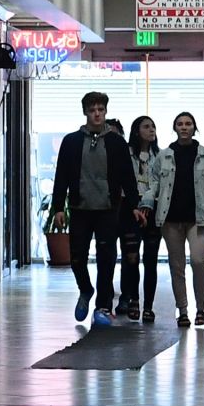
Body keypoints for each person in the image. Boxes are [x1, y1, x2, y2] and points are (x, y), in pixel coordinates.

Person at [136, 111, 204, 328]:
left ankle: (201, 309)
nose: (184, 127)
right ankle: (183, 311)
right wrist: (147, 201)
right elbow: (154, 184)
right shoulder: (164, 156)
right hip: (170, 219)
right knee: (176, 266)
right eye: (180, 124)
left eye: (188, 124)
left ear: (194, 128)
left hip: (199, 218)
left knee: (198, 262)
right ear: (175, 128)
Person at [53, 91, 137, 325]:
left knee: (106, 258)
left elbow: (127, 177)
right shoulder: (71, 141)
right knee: (77, 257)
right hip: (80, 207)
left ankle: (103, 305)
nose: (97, 114)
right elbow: (62, 175)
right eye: (92, 110)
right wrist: (58, 207)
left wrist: (134, 205)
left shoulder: (116, 142)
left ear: (106, 111)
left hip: (108, 208)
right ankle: (85, 289)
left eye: (101, 109)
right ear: (85, 113)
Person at [119, 116, 164, 323]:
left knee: (151, 260)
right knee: (131, 257)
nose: (151, 130)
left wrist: (149, 203)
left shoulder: (161, 155)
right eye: (146, 127)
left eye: (153, 126)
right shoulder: (125, 153)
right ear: (136, 131)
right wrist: (134, 205)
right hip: (130, 208)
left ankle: (149, 306)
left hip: (153, 208)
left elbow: (161, 184)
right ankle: (133, 299)